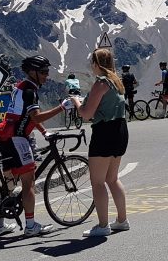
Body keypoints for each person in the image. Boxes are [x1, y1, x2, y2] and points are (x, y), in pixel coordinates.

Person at [0, 55, 69, 236]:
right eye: (43, 72)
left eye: (47, 72)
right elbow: (35, 117)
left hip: (6, 135)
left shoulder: (21, 87)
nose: (46, 76)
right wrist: (61, 108)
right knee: (28, 183)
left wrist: (44, 132)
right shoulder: (30, 91)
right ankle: (30, 226)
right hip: (17, 138)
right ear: (33, 72)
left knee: (10, 183)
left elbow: (25, 116)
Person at [70, 48, 130, 237]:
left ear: (97, 64)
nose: (91, 66)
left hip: (104, 132)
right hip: (120, 130)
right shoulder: (116, 82)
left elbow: (87, 114)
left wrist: (76, 102)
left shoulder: (101, 83)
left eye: (92, 63)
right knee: (112, 178)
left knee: (97, 182)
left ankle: (103, 225)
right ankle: (122, 220)